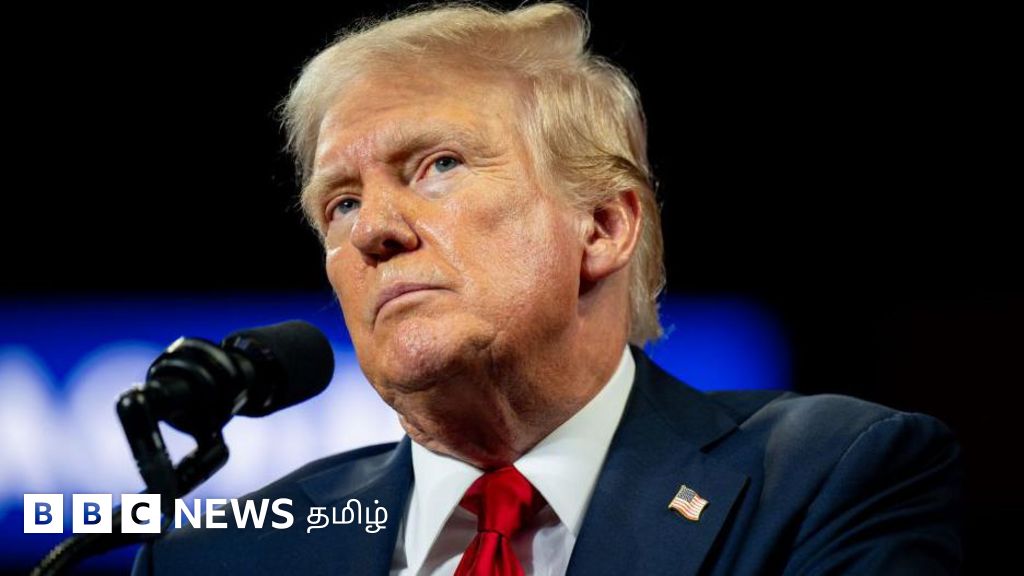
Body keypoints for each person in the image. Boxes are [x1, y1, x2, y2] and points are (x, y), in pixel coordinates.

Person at [133, 3, 963, 574]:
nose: (372, 229)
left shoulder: (825, 479)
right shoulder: (219, 555)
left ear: (601, 226)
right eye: (340, 203)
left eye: (439, 165)